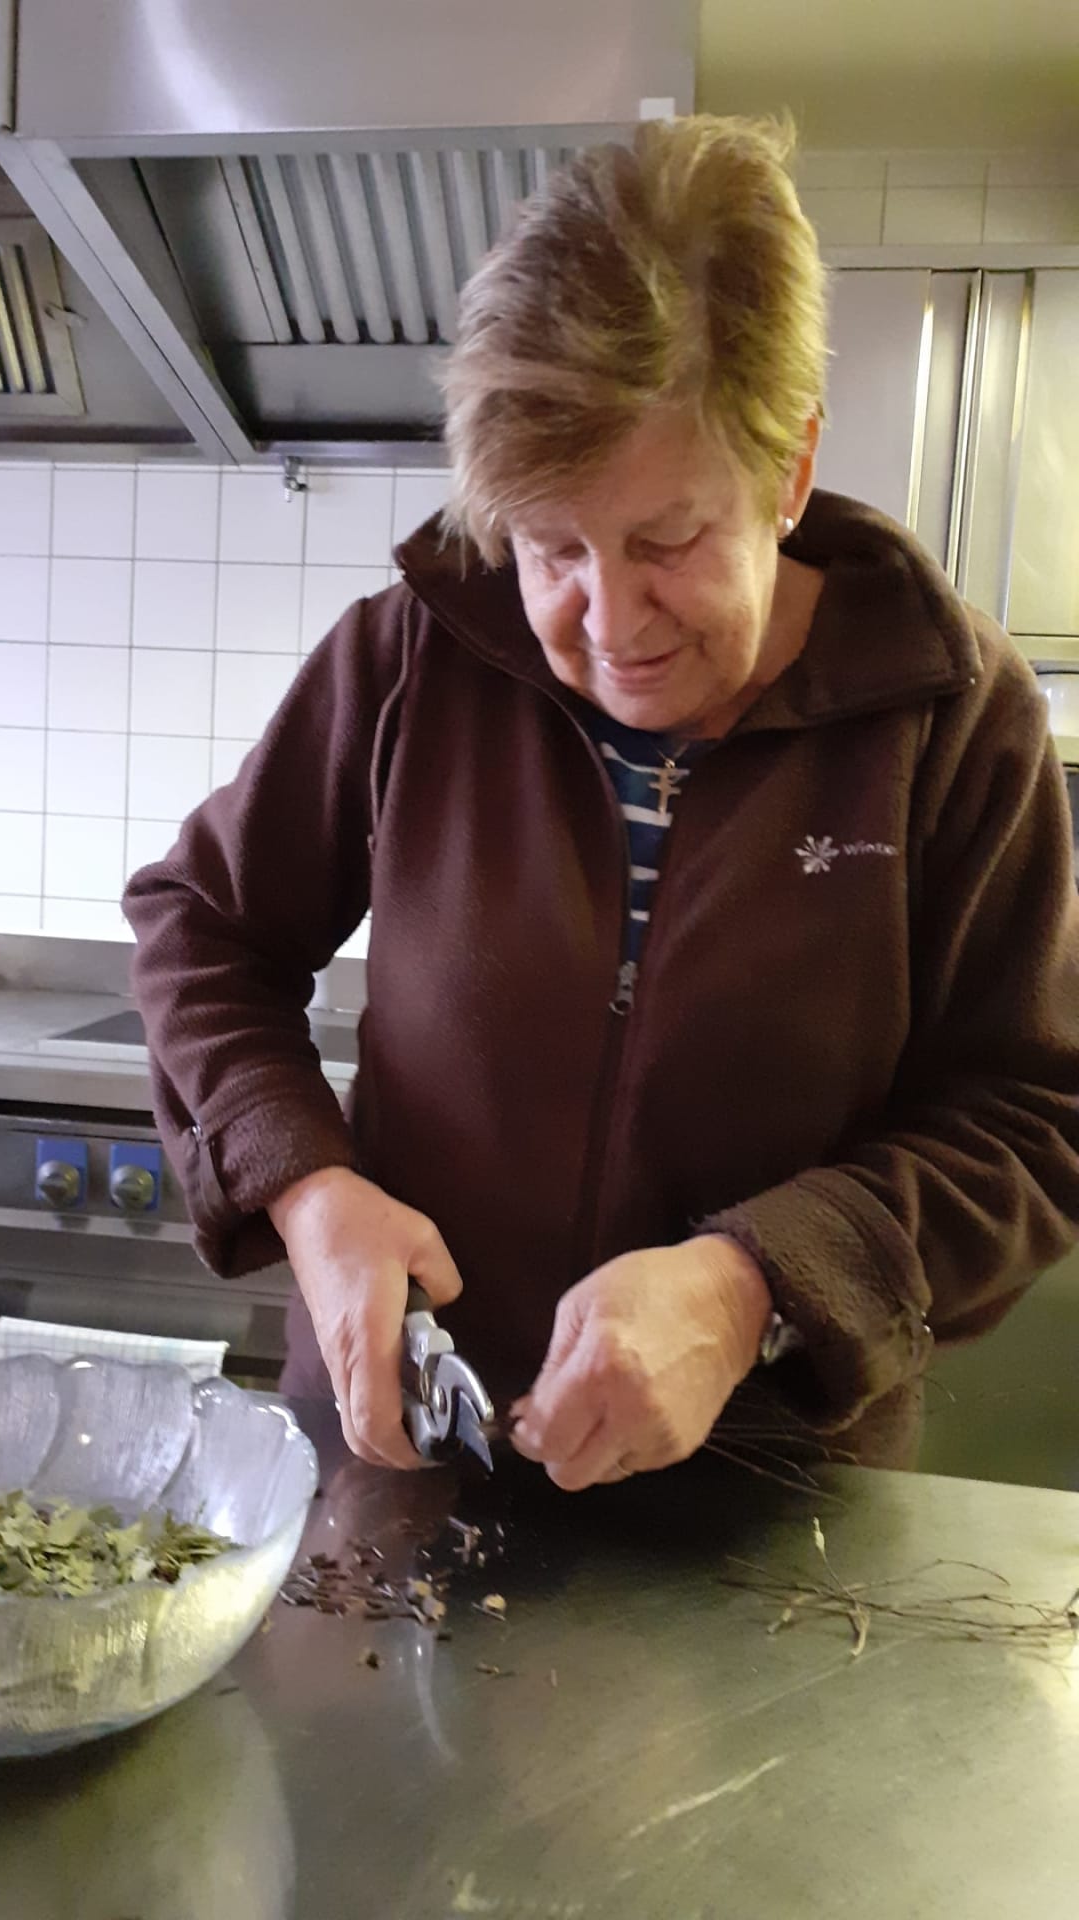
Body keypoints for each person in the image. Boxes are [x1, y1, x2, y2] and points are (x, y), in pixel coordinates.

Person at [124, 114, 1079, 1486]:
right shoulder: (409, 657)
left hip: (766, 1496)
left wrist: (757, 1284)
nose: (610, 624)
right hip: (403, 1458)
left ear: (790, 471)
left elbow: (1034, 1119)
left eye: (667, 541)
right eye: (551, 548)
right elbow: (199, 928)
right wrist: (310, 1190)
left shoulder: (953, 715)